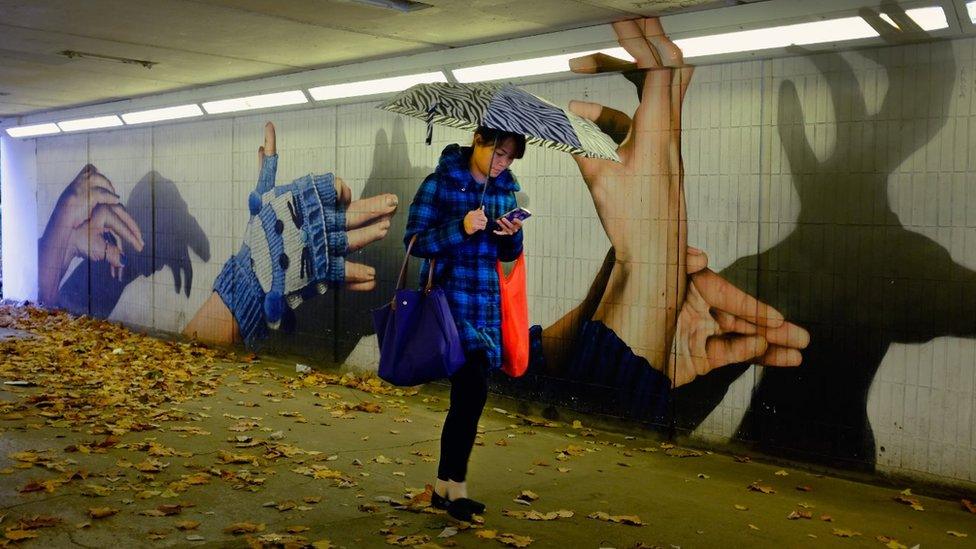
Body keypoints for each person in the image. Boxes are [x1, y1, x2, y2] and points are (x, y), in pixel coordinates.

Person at [403, 126, 526, 522]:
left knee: (468, 400)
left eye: (509, 157)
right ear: (478, 139)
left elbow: (507, 253)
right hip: (449, 301)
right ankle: (455, 491)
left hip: (486, 302)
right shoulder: (438, 185)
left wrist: (512, 236)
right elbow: (414, 243)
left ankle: (443, 487)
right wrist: (461, 227)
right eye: (498, 153)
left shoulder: (505, 191)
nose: (502, 163)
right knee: (471, 393)